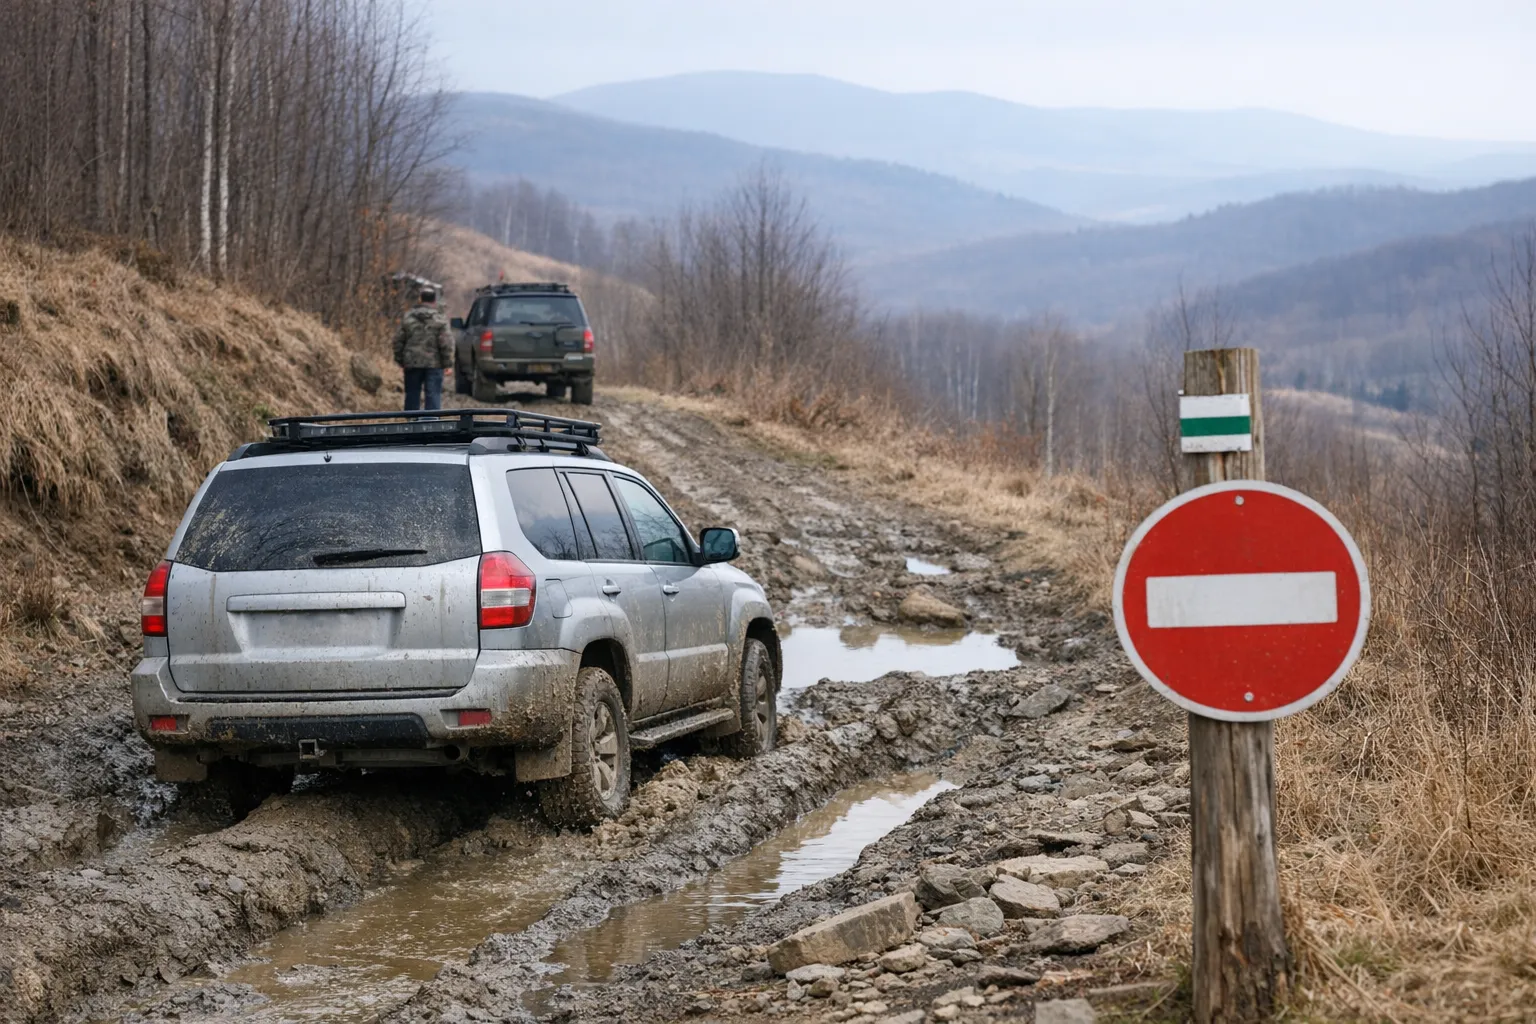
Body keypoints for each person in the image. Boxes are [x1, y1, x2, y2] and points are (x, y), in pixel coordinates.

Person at [392, 288, 454, 411]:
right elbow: (446, 343)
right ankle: (431, 426)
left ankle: (411, 425)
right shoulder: (440, 319)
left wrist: (401, 360)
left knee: (412, 394)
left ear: (420, 299)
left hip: (412, 362)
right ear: (434, 300)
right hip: (434, 364)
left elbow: (398, 340)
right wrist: (448, 363)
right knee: (433, 395)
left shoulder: (408, 317)